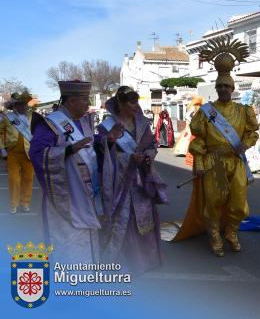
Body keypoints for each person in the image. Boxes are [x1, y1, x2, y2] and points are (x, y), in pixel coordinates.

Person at [164, 37, 259, 257]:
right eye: (221, 86)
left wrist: (244, 145)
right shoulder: (206, 112)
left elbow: (252, 132)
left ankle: (232, 231)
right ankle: (215, 233)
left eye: (228, 86)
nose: (224, 89)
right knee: (214, 202)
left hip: (235, 162)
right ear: (216, 88)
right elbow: (198, 140)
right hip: (213, 162)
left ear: (233, 88)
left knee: (239, 205)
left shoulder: (244, 110)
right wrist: (198, 162)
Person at [30, 81, 115, 263]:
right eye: (84, 99)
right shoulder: (50, 124)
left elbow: (90, 146)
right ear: (71, 101)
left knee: (87, 235)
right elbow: (37, 154)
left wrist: (108, 140)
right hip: (66, 194)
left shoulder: (83, 121)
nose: (87, 103)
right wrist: (67, 151)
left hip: (87, 190)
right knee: (68, 240)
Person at [97, 86, 167, 273]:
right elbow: (103, 155)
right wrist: (126, 157)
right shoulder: (107, 127)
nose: (136, 106)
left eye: (137, 102)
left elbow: (152, 145)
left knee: (144, 219)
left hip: (141, 178)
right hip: (120, 181)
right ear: (120, 104)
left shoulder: (143, 124)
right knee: (123, 220)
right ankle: (123, 261)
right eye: (132, 102)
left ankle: (146, 259)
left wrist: (147, 157)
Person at [0, 92, 35, 214]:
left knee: (29, 179)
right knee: (14, 179)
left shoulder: (31, 117)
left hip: (29, 152)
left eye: (25, 104)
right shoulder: (7, 117)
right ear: (15, 106)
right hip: (13, 153)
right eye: (21, 104)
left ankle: (25, 203)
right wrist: (2, 149)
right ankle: (13, 204)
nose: (25, 107)